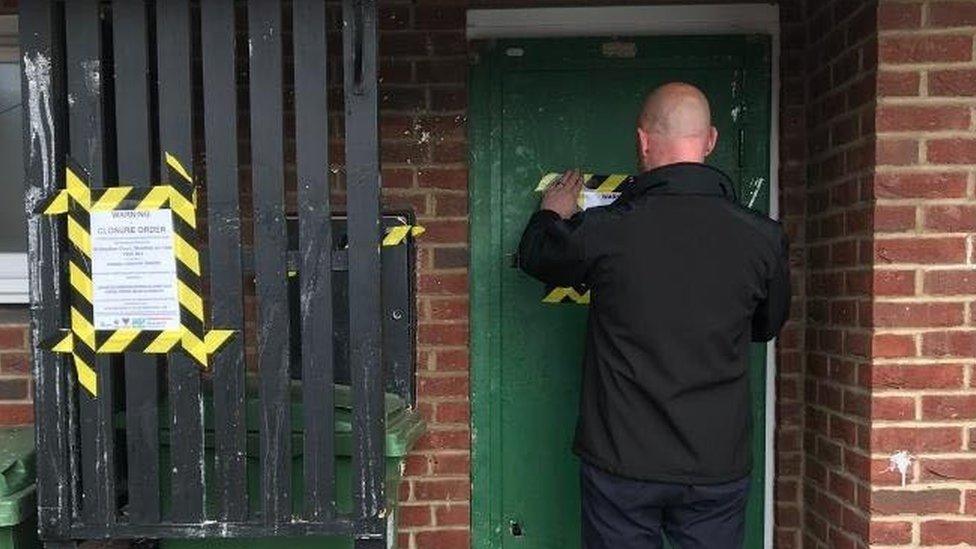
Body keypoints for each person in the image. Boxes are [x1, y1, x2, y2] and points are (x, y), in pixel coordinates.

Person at [518, 82, 791, 549]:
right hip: (715, 463)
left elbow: (537, 257)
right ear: (710, 141)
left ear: (643, 141)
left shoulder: (608, 230)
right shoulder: (763, 238)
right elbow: (766, 327)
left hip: (622, 462)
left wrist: (551, 216)